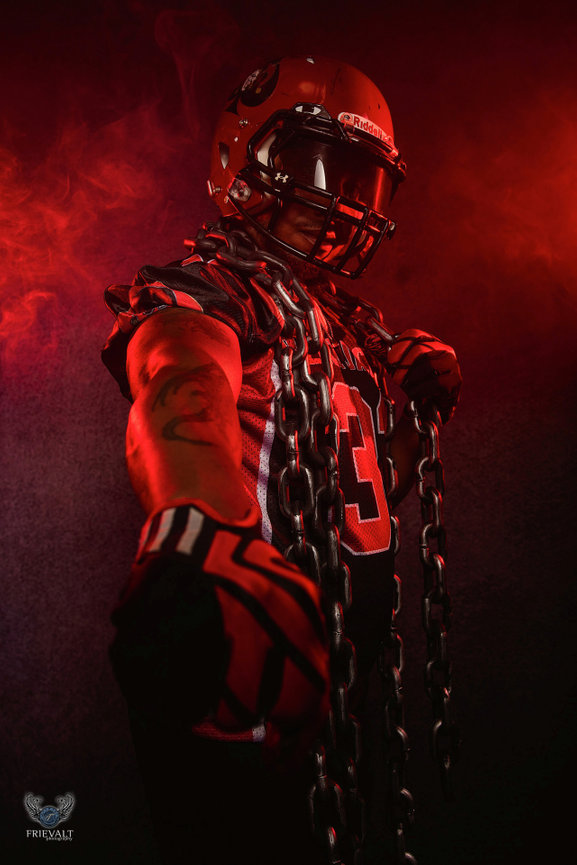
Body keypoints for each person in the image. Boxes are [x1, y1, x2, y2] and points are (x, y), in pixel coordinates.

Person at [102, 55, 462, 865]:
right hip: (242, 667)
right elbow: (179, 381)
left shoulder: (345, 329)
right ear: (245, 163)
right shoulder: (211, 291)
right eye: (312, 165)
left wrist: (412, 424)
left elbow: (351, 510)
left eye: (360, 180)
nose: (337, 201)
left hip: (336, 684)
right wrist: (194, 519)